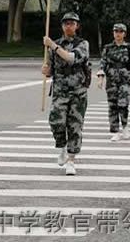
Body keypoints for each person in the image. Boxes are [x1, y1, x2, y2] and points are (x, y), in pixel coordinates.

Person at [42, 12, 90, 176]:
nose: (68, 26)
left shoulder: (82, 44)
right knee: (56, 122)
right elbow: (50, 70)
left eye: (72, 23)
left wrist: (53, 47)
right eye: (66, 23)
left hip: (78, 92)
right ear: (62, 26)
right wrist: (46, 70)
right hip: (60, 92)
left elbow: (71, 58)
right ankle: (61, 146)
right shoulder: (55, 44)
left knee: (75, 126)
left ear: (77, 26)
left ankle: (71, 160)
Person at [97, 24, 130, 142]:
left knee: (123, 105)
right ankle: (115, 131)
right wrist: (100, 78)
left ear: (124, 34)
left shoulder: (129, 48)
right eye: (116, 31)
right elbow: (103, 63)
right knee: (112, 106)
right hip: (111, 80)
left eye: (121, 32)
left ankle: (125, 126)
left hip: (125, 81)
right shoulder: (108, 48)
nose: (118, 34)